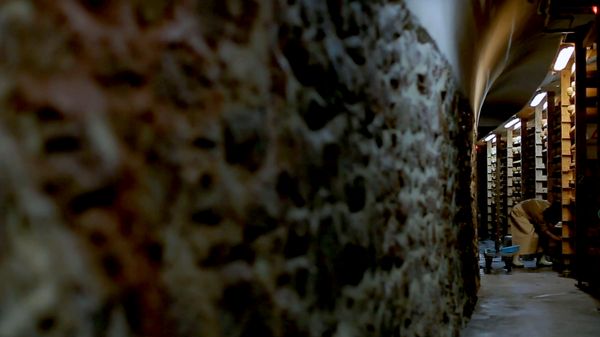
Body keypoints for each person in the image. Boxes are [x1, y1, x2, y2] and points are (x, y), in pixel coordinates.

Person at [509, 199, 561, 267]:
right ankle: (515, 259)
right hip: (519, 212)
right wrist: (557, 239)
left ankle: (541, 259)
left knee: (542, 236)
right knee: (525, 235)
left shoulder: (550, 208)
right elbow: (545, 231)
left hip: (530, 213)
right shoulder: (540, 215)